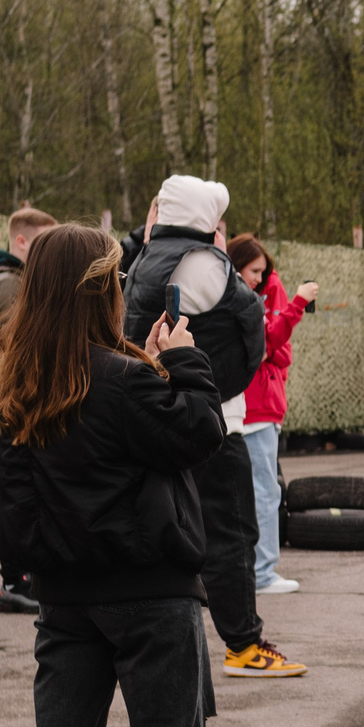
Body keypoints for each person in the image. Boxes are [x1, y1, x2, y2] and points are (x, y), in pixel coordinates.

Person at [0, 225, 250, 727]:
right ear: (103, 289)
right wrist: (187, 360)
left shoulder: (15, 386)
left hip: (64, 599)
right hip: (152, 594)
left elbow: (13, 507)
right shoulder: (126, 380)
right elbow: (200, 434)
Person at [121, 177, 302, 678]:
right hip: (214, 420)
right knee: (232, 533)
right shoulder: (201, 262)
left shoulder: (147, 258)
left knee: (173, 531)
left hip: (160, 416)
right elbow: (250, 324)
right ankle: (244, 645)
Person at [225, 235, 318, 597]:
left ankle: (254, 570)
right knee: (263, 491)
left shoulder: (234, 292)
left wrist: (269, 352)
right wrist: (296, 304)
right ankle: (262, 572)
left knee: (249, 491)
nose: (258, 279)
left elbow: (278, 352)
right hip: (255, 409)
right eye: (254, 271)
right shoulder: (245, 298)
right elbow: (266, 344)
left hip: (249, 407)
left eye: (263, 274)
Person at [0, 208, 58, 614]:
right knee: (17, 495)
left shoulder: (15, 280)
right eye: (44, 243)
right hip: (10, 404)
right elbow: (19, 347)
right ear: (22, 242)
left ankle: (21, 577)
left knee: (23, 491)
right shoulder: (10, 285)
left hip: (13, 402)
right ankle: (14, 582)